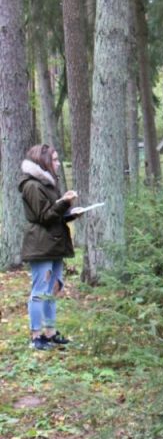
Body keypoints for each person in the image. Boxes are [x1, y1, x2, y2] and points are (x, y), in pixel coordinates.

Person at [19, 144, 78, 350]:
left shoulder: (48, 184)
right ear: (43, 162)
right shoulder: (32, 186)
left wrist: (70, 212)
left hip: (53, 243)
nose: (58, 163)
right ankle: (36, 337)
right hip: (40, 245)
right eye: (54, 159)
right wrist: (64, 203)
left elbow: (53, 213)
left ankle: (50, 333)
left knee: (53, 289)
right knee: (40, 290)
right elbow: (44, 216)